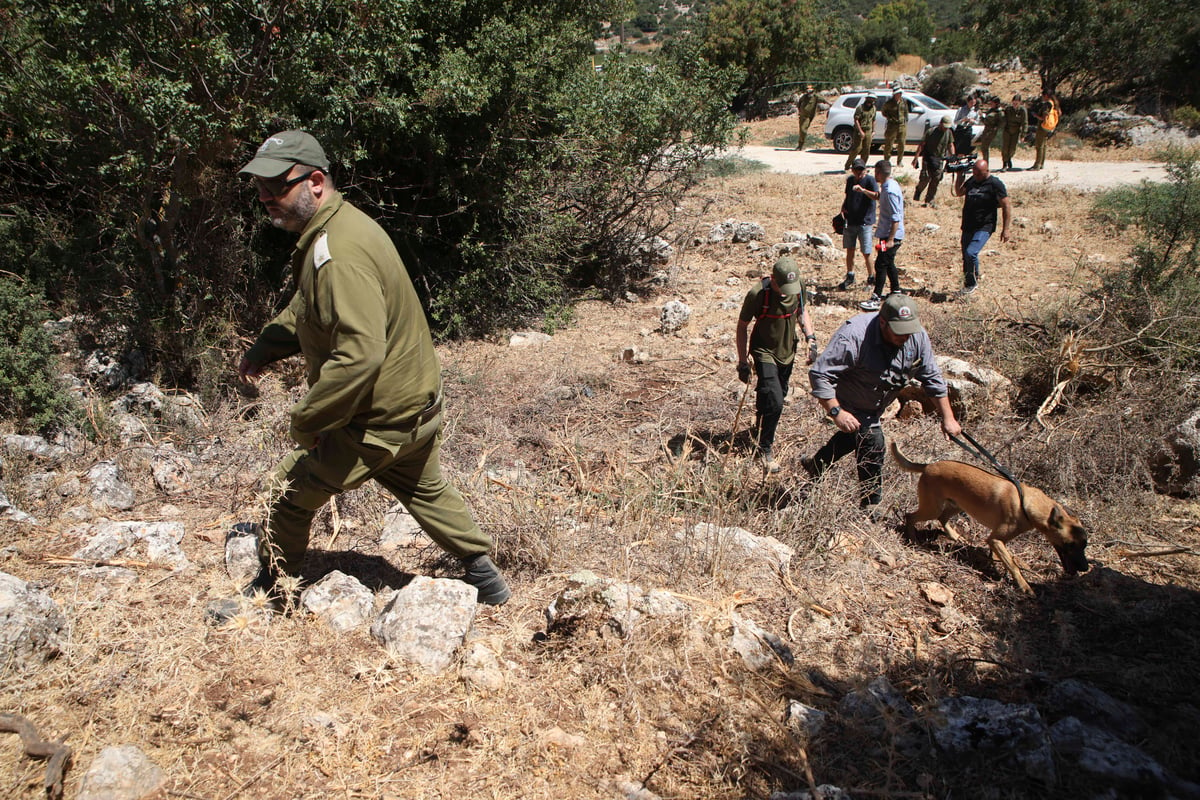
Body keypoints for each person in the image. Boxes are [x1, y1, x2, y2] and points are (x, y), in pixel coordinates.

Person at [209, 130, 511, 621]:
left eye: (276, 186)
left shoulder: (339, 253)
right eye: (259, 188)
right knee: (423, 488)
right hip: (415, 406)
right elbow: (313, 310)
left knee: (286, 494)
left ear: (315, 182)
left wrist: (308, 419)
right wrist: (270, 343)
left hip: (376, 419)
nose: (265, 197)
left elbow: (359, 356)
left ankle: (273, 588)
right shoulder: (341, 230)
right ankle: (485, 576)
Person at [804, 294, 962, 520]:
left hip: (878, 399)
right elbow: (820, 374)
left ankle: (817, 464)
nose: (905, 336)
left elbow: (932, 378)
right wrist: (837, 411)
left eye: (909, 330)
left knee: (855, 433)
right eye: (899, 331)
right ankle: (871, 504)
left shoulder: (916, 337)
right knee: (872, 440)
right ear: (882, 322)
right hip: (850, 395)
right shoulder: (854, 336)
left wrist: (948, 418)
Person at [736, 256, 818, 474]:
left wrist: (811, 338)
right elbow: (742, 326)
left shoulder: (797, 286)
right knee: (776, 399)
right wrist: (742, 361)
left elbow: (802, 311)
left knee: (774, 393)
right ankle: (765, 448)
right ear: (772, 279)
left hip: (788, 350)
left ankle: (759, 425)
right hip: (764, 350)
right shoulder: (758, 294)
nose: (786, 291)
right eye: (782, 286)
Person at [952, 158, 1011, 294]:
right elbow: (959, 192)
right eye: (975, 173)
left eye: (980, 174)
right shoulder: (972, 181)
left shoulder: (995, 184)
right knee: (966, 256)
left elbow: (1006, 205)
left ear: (987, 171)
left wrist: (1006, 229)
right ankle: (972, 278)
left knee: (971, 252)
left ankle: (972, 284)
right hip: (968, 224)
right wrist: (960, 175)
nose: (977, 177)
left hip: (985, 225)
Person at [860, 159, 904, 311]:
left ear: (879, 172)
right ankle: (896, 291)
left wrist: (891, 239)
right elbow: (879, 196)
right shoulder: (887, 186)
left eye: (875, 172)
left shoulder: (890, 190)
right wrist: (864, 191)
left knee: (881, 264)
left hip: (891, 236)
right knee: (888, 262)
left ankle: (876, 298)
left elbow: (896, 218)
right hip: (885, 234)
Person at [837, 157, 878, 291]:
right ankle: (850, 276)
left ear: (865, 170)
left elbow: (877, 196)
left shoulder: (870, 180)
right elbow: (847, 196)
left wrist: (863, 190)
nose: (859, 172)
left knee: (866, 251)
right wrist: (843, 208)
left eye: (861, 169)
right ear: (852, 170)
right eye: (856, 169)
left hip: (864, 222)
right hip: (851, 221)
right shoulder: (850, 181)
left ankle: (871, 278)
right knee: (850, 249)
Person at [912, 114, 955, 209]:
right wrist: (916, 158)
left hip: (939, 159)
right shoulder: (931, 131)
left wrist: (952, 156)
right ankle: (918, 191)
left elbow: (950, 145)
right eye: (944, 126)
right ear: (940, 123)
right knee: (925, 178)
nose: (945, 129)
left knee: (936, 179)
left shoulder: (948, 133)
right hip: (928, 158)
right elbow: (921, 145)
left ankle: (929, 200)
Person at [844, 94, 877, 171]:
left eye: (873, 99)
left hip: (868, 130)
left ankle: (862, 167)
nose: (871, 100)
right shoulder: (860, 108)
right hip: (859, 130)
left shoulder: (874, 108)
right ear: (866, 98)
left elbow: (874, 119)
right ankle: (848, 165)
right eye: (870, 98)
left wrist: (873, 130)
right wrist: (860, 131)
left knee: (867, 149)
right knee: (857, 149)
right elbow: (856, 120)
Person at [1029, 90, 1060, 170]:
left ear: (1046, 95)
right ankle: (1041, 163)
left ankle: (1037, 164)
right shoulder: (1053, 103)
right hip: (1048, 127)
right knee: (1044, 144)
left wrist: (1035, 115)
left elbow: (1043, 117)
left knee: (1039, 145)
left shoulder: (1047, 104)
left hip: (1043, 126)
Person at [974, 96, 1004, 163]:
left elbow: (1002, 123)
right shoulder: (990, 110)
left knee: (985, 147)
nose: (991, 104)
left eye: (992, 103)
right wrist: (981, 117)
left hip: (991, 131)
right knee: (983, 147)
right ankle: (985, 162)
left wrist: (996, 128)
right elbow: (986, 121)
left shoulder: (999, 112)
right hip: (986, 130)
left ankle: (985, 163)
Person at [1001, 94, 1027, 171]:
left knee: (1012, 149)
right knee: (1005, 148)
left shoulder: (1022, 110)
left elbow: (1025, 123)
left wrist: (1023, 134)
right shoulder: (1008, 109)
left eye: (1017, 102)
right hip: (1007, 130)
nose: (1015, 104)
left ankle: (1009, 158)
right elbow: (1003, 118)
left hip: (1016, 131)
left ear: (1020, 102)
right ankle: (1004, 163)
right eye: (1014, 102)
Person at [880, 88, 907, 163]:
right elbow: (883, 112)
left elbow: (905, 112)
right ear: (895, 94)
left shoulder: (903, 102)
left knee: (902, 143)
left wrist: (905, 121)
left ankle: (899, 161)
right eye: (898, 93)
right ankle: (886, 160)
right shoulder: (889, 103)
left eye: (900, 93)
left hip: (901, 125)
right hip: (892, 126)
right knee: (889, 143)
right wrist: (890, 117)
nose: (900, 95)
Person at [796, 85, 819, 151]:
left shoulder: (815, 97)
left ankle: (801, 144)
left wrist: (830, 104)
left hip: (808, 117)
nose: (809, 92)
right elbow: (799, 102)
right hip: (802, 115)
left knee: (803, 130)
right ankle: (800, 145)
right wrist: (800, 110)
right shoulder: (804, 97)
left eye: (810, 91)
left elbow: (824, 100)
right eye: (807, 90)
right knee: (801, 130)